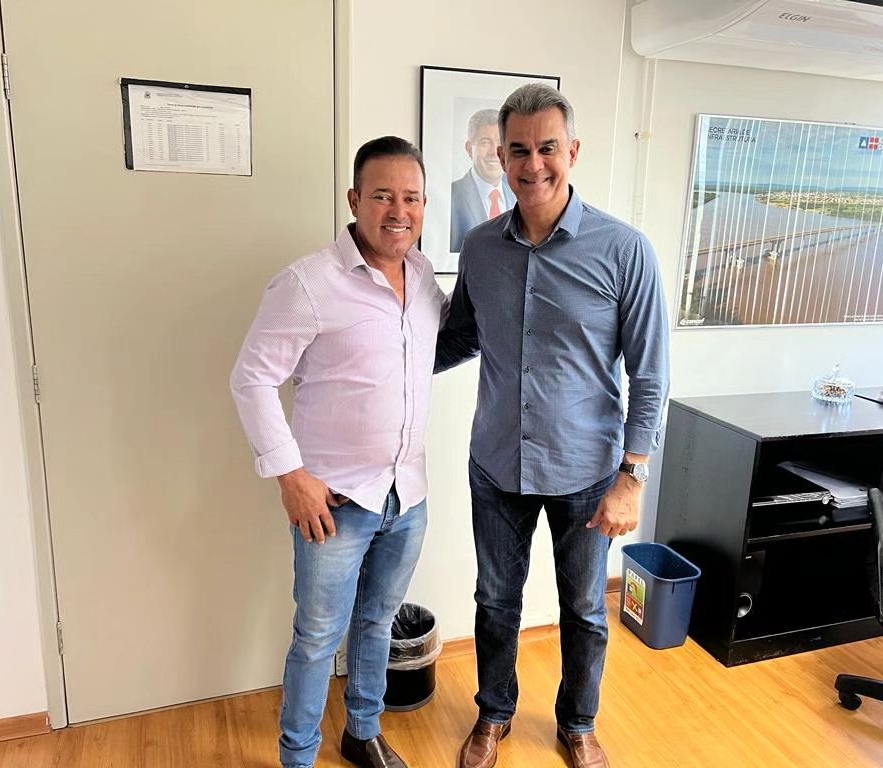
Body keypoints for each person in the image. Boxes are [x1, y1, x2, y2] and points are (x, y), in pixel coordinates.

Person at [436, 84, 670, 768]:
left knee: (586, 611)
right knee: (494, 603)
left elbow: (651, 374)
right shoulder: (481, 248)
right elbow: (460, 338)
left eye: (547, 148)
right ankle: (494, 714)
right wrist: (382, 356)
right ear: (500, 156)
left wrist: (632, 477)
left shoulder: (625, 250)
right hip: (497, 465)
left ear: (573, 151)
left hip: (588, 472)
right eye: (518, 150)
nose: (532, 164)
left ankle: (579, 722)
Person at [230, 136, 445, 768]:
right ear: (354, 201)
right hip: (335, 503)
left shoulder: (424, 277)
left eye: (412, 198)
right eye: (382, 196)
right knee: (318, 637)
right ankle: (298, 756)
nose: (398, 211)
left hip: (407, 495)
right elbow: (252, 378)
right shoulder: (308, 283)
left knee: (378, 623)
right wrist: (289, 475)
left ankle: (362, 732)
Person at [449, 108, 517, 253]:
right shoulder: (452, 195)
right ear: (469, 149)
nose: (494, 152)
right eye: (485, 142)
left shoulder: (519, 193)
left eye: (500, 142)